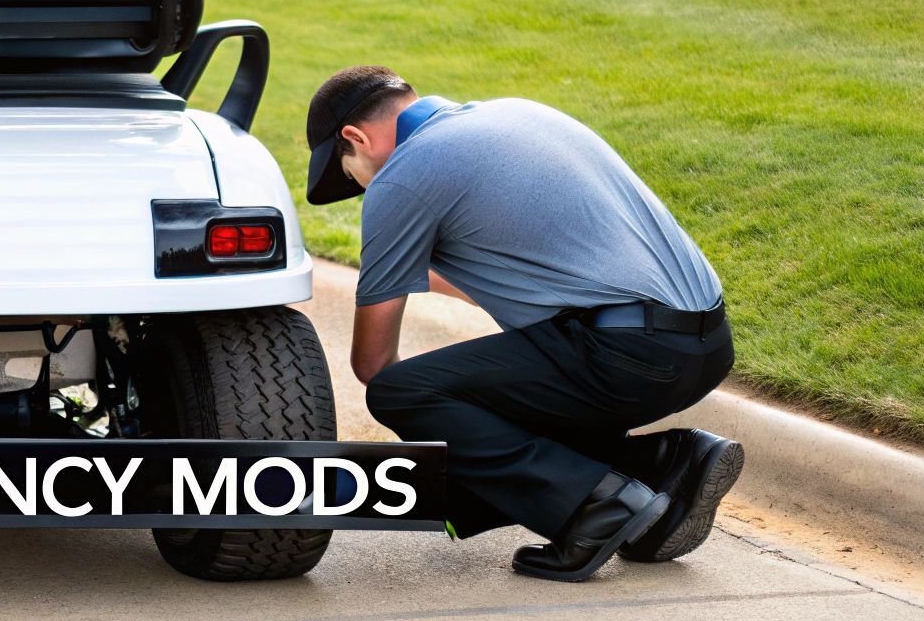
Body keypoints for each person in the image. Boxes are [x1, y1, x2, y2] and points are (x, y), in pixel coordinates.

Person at [305, 65, 743, 583]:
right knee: (499, 409)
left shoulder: (402, 176)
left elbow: (373, 363)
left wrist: (455, 445)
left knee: (401, 392)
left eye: (349, 174)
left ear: (355, 138)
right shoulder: (520, 115)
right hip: (703, 346)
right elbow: (522, 275)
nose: (361, 188)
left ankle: (598, 504)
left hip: (624, 357)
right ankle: (663, 462)